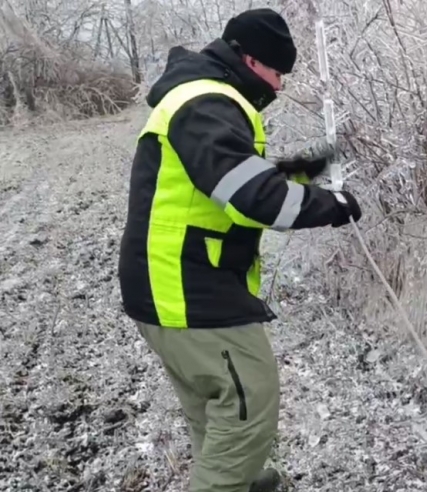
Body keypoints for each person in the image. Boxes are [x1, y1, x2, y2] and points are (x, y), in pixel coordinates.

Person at [117, 8, 362, 492]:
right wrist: (332, 206)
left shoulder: (201, 98)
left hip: (174, 283)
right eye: (277, 73)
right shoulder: (207, 102)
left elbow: (227, 177)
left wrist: (301, 170)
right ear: (251, 60)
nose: (280, 86)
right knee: (248, 400)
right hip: (185, 287)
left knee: (222, 412)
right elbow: (253, 198)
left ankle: (246, 483)